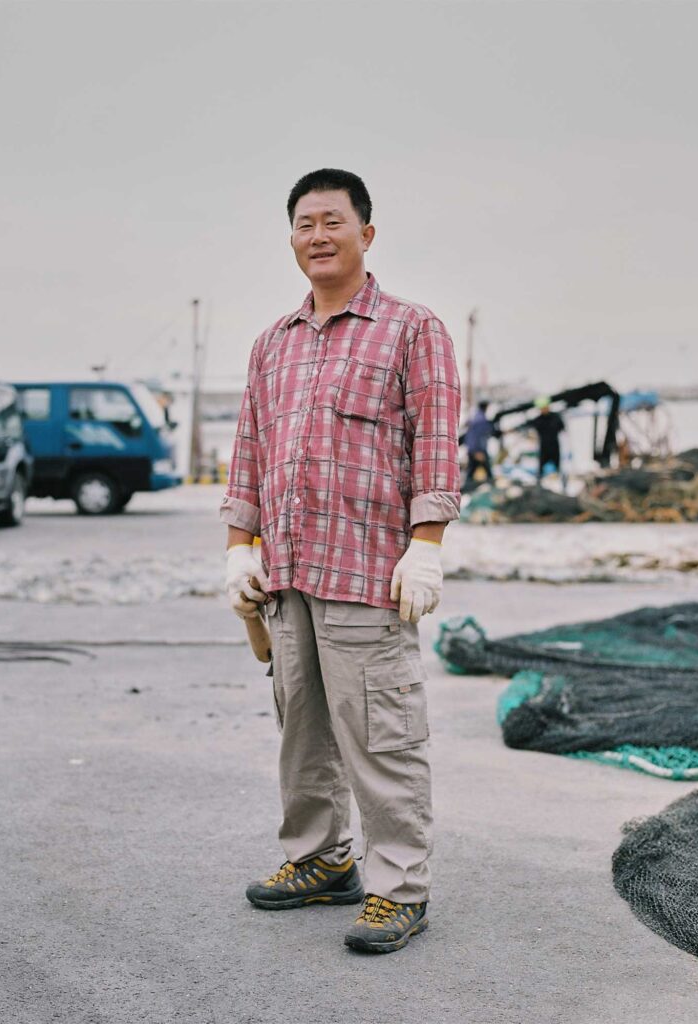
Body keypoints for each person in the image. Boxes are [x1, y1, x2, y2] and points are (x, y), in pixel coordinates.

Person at [220, 168, 461, 954]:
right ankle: (320, 859)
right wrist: (237, 549)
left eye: (332, 220)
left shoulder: (410, 327)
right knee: (304, 732)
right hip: (285, 576)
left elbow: (435, 443)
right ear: (290, 238)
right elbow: (249, 450)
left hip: (367, 573)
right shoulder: (272, 343)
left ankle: (400, 889)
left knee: (382, 735)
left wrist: (425, 546)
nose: (317, 235)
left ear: (367, 232)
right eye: (303, 223)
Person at [527, 398, 565, 475]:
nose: (544, 409)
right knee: (541, 469)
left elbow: (562, 428)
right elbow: (529, 428)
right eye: (542, 408)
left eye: (545, 407)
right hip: (543, 447)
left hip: (555, 446)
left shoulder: (555, 417)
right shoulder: (538, 420)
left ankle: (558, 480)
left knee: (557, 467)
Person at [464, 400, 496, 483]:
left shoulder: (476, 417)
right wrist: (477, 451)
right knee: (486, 470)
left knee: (472, 471)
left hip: (473, 448)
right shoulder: (481, 420)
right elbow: (476, 436)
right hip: (478, 449)